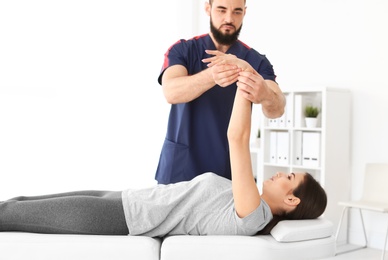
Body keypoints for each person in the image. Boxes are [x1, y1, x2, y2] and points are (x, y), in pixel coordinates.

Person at [0, 60, 327, 236]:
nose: (282, 173)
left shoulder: (253, 214)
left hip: (128, 217)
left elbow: (237, 139)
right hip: (127, 199)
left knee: (9, 214)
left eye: (290, 177)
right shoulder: (251, 203)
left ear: (291, 199)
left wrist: (246, 82)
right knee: (20, 202)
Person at [155, 0, 286, 184]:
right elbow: (171, 92)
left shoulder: (256, 61)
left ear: (244, 13)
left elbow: (277, 108)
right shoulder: (183, 50)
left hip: (224, 172)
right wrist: (211, 76)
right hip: (180, 169)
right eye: (222, 10)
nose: (229, 18)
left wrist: (264, 93)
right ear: (208, 9)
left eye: (237, 12)